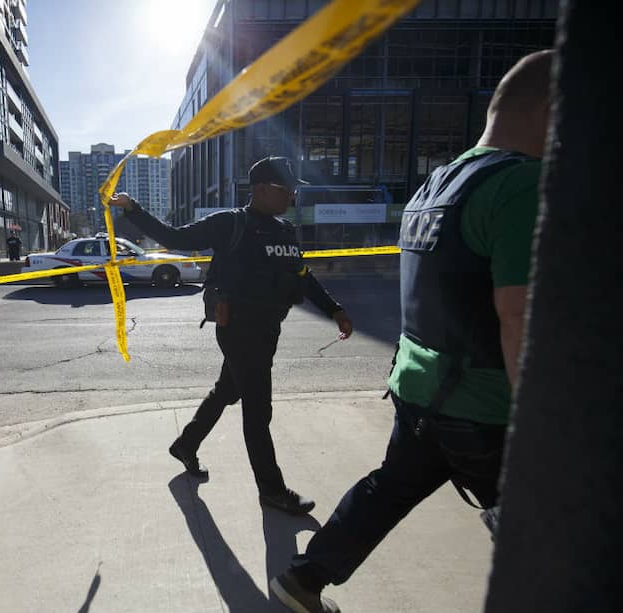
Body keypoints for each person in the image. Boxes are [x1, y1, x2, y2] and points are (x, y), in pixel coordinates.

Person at [269, 49, 554, 612]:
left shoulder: (437, 183)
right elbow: (520, 315)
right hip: (487, 408)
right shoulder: (523, 185)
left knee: (387, 490)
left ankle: (302, 581)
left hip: (420, 389)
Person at [109, 156, 353, 515]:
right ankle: (271, 490)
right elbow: (177, 238)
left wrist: (334, 309)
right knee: (258, 411)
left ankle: (186, 444)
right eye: (287, 189)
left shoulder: (284, 231)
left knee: (227, 389)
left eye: (293, 190)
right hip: (239, 330)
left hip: (269, 328)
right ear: (261, 190)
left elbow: (301, 274)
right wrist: (134, 209)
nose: (292, 195)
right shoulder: (230, 224)